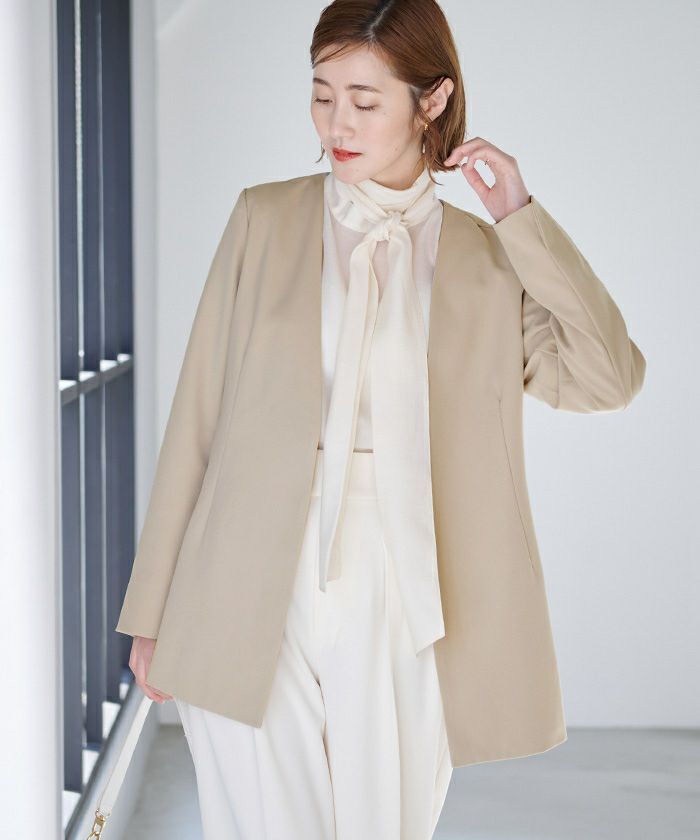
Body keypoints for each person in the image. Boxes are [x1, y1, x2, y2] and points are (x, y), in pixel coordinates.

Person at [115, 1, 646, 838]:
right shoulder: (264, 218)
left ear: (432, 101)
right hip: (246, 578)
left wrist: (521, 218)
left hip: (412, 588)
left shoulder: (486, 261)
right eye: (322, 95)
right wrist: (152, 612)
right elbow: (198, 418)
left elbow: (609, 377)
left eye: (365, 100)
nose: (337, 124)